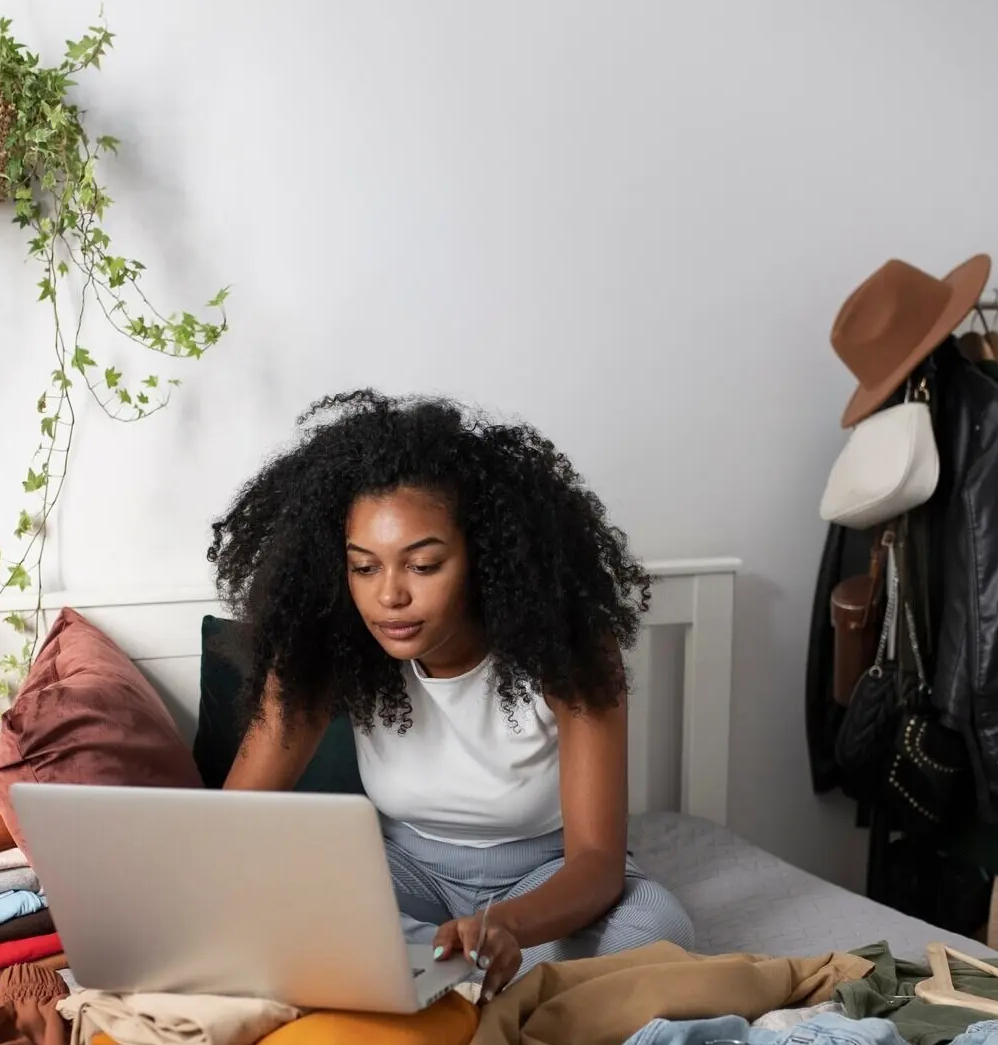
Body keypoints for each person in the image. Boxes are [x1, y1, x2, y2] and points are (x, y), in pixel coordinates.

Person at [211, 389, 695, 1001]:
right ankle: (457, 976)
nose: (389, 596)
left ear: (484, 558)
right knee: (265, 905)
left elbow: (597, 864)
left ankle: (429, 974)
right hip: (398, 872)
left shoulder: (568, 648)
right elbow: (233, 823)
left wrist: (505, 926)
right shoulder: (329, 644)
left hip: (545, 879)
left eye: (423, 565)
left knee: (655, 930)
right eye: (365, 567)